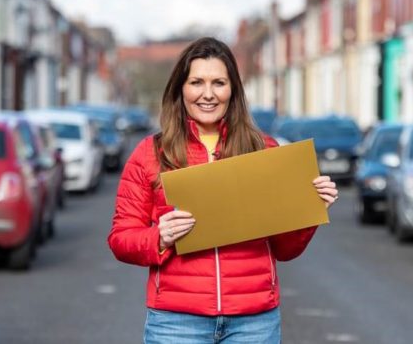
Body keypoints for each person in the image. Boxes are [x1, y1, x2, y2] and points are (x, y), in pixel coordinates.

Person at [108, 37, 339, 343]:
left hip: (253, 322)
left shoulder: (264, 149)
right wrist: (159, 238)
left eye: (219, 82)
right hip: (177, 322)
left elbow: (285, 249)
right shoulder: (151, 153)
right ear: (181, 88)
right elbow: (121, 238)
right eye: (196, 82)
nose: (208, 94)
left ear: (233, 90)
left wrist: (309, 207)